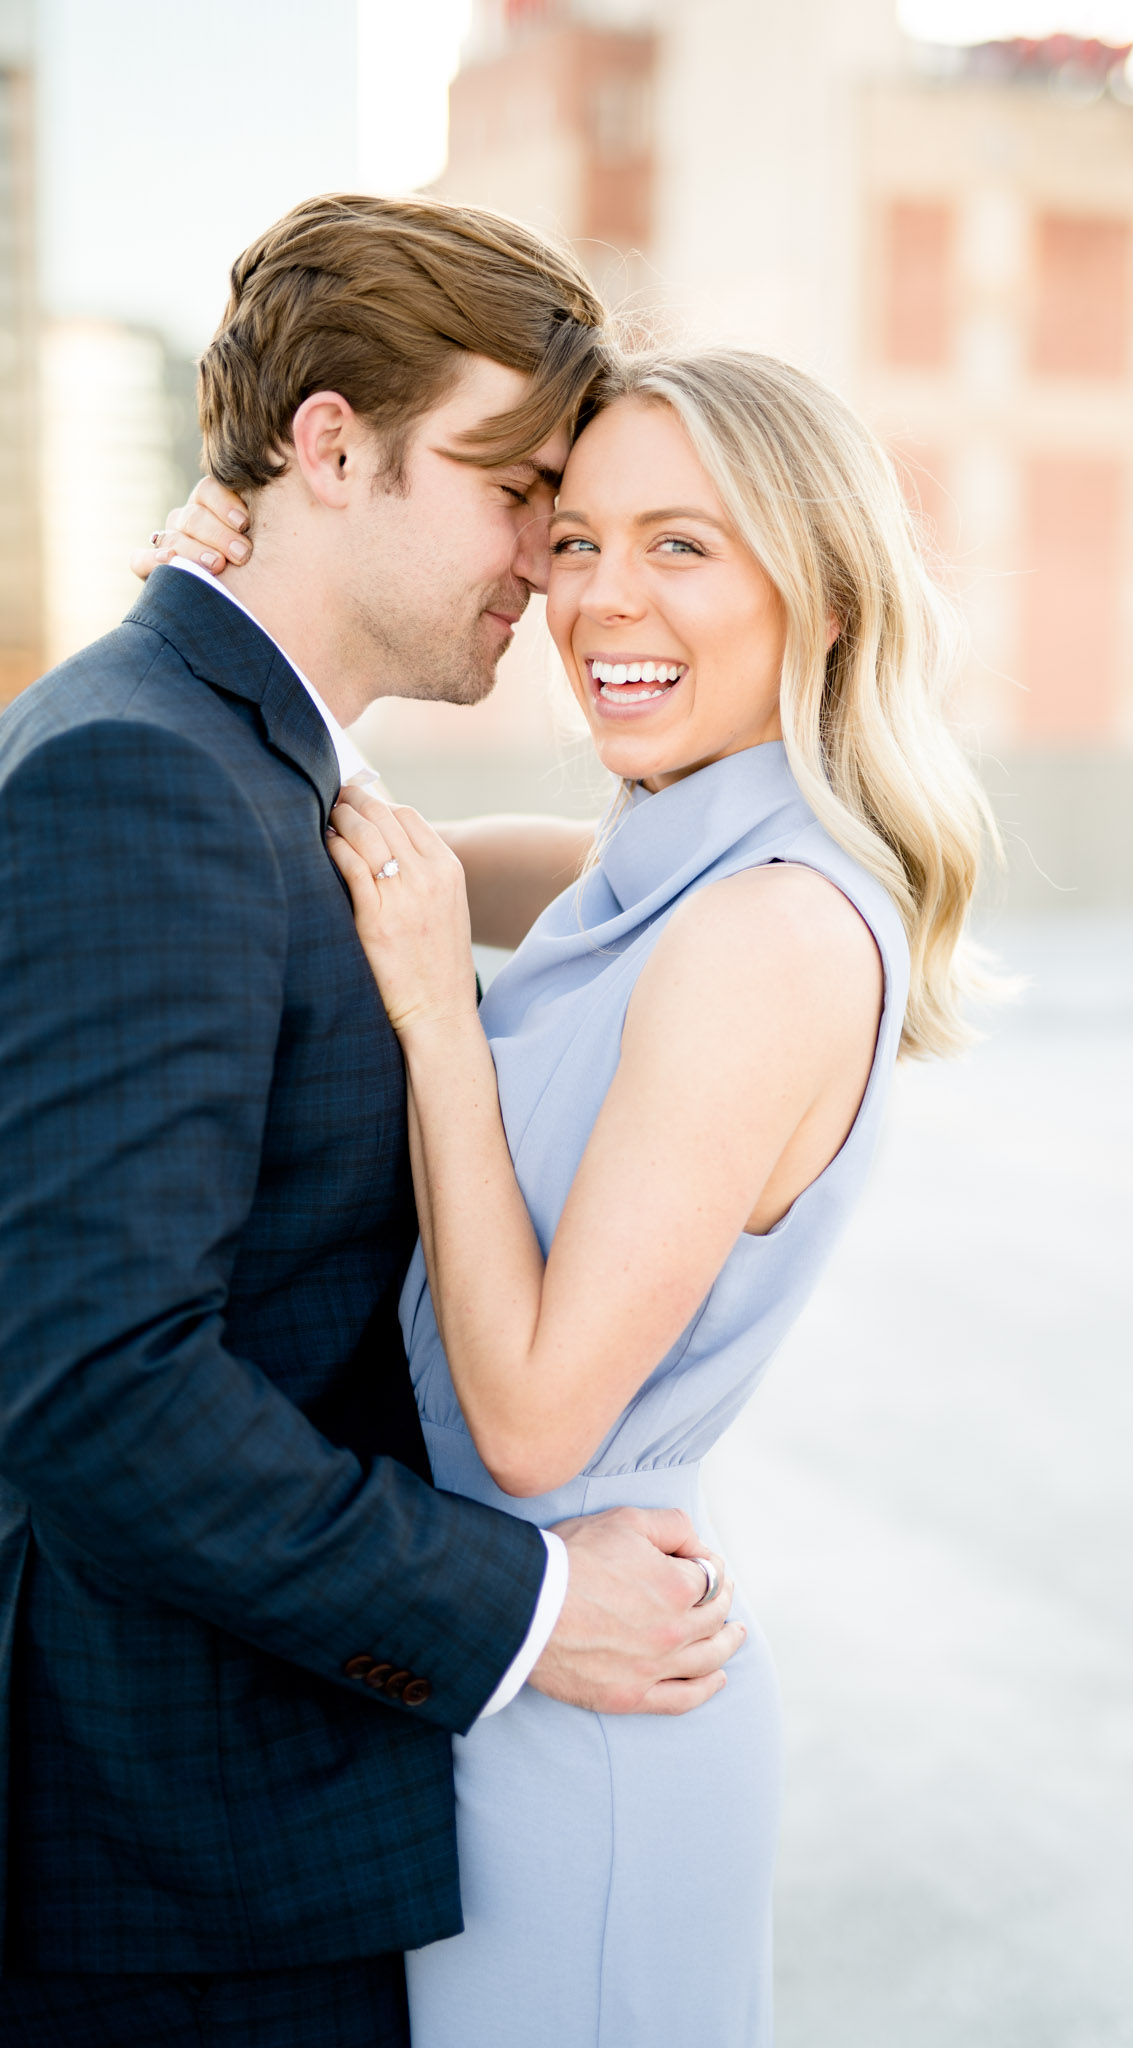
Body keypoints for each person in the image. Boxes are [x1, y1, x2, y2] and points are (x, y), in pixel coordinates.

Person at [151, 345, 998, 2045]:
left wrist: (437, 1015)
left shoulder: (763, 933)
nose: (605, 597)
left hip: (591, 1695)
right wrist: (208, 606)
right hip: (485, 1662)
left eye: (683, 545)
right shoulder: (639, 869)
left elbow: (535, 1420)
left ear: (819, 597)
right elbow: (325, 833)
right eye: (577, 540)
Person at [0, 195, 745, 2048]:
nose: (548, 567)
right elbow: (99, 1385)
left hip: (243, 1834)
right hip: (181, 1880)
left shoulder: (238, 753)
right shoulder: (143, 772)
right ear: (331, 447)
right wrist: (522, 1606)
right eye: (516, 493)